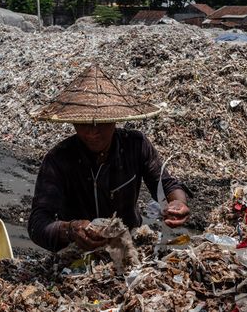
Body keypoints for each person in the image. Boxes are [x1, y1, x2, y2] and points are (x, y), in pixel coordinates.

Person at [28, 66, 190, 252]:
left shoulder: (135, 145)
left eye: (100, 123)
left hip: (128, 245)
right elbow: (37, 223)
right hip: (78, 252)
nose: (92, 132)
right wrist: (71, 229)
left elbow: (166, 184)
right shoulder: (58, 160)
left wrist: (178, 203)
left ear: (115, 119)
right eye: (83, 123)